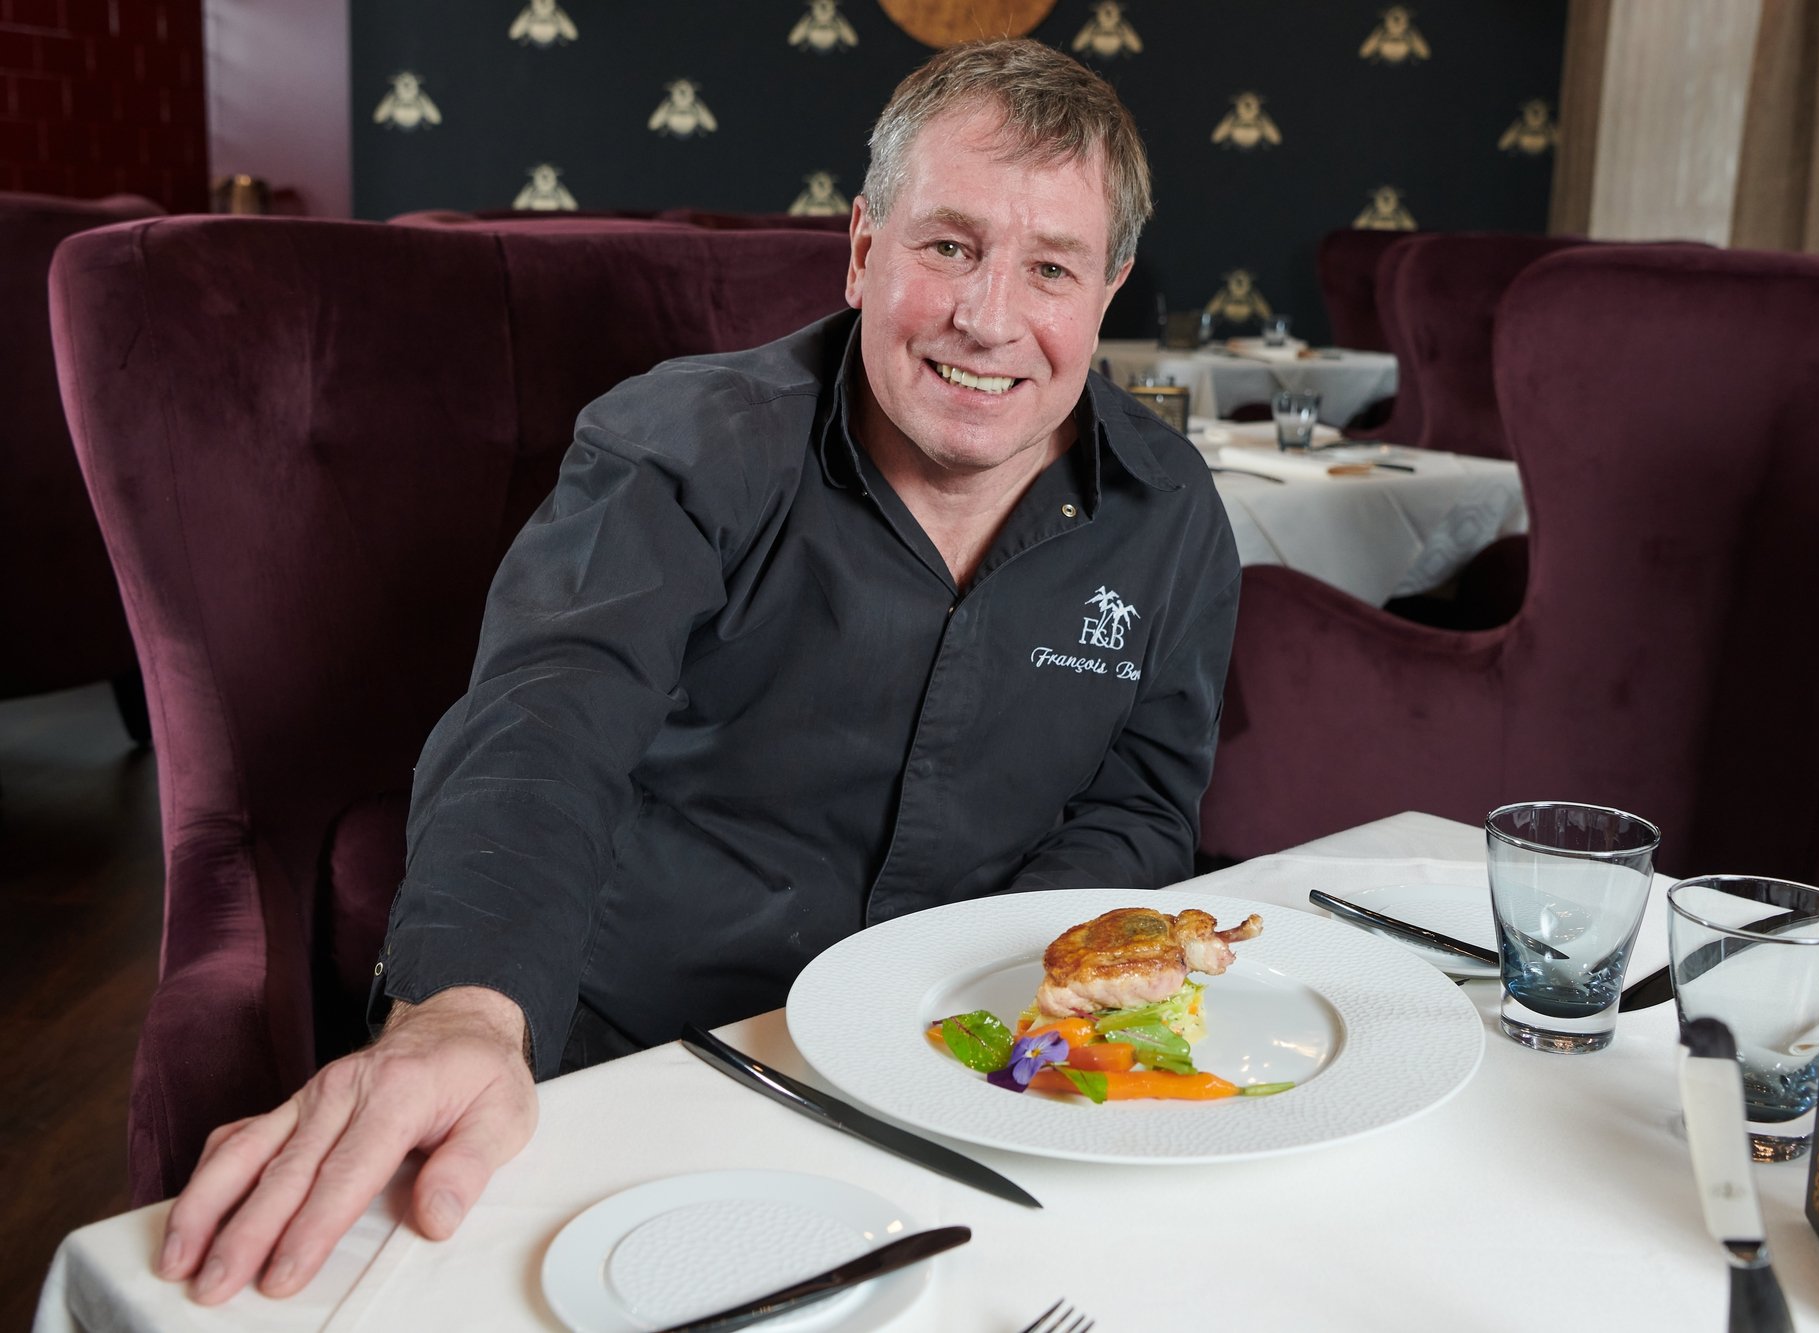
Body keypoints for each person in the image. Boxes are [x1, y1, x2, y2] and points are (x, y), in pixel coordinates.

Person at [156, 37, 1240, 1305]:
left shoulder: (1170, 514)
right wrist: (467, 1010)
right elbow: (543, 724)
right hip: (647, 1052)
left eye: (1048, 267)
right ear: (861, 249)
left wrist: (1008, 996)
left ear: (1105, 290)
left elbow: (1140, 803)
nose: (988, 318)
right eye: (948, 245)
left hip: (972, 1062)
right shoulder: (679, 443)